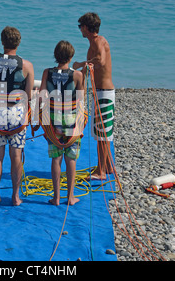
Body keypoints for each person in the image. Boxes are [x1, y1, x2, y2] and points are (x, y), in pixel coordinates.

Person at [0, 26, 34, 206]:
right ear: (18, 43)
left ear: (2, 42)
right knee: (16, 156)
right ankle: (15, 196)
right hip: (16, 113)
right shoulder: (27, 65)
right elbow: (28, 96)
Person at [39, 41, 85, 206]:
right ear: (71, 57)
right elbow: (81, 100)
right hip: (71, 121)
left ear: (55, 56)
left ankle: (56, 197)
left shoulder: (47, 73)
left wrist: (39, 121)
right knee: (71, 159)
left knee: (56, 159)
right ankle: (70, 196)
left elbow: (42, 97)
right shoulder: (78, 76)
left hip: (53, 121)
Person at [73, 12, 115, 180]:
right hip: (100, 92)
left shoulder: (99, 41)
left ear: (85, 27)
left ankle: (101, 172)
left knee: (101, 133)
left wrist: (79, 64)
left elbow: (101, 60)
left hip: (104, 93)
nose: (80, 30)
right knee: (102, 131)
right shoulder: (95, 42)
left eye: (80, 27)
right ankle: (108, 166)